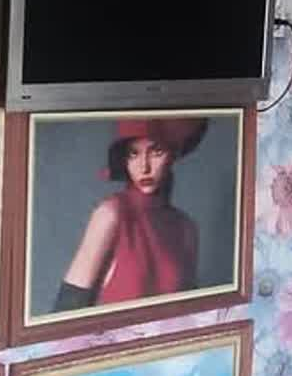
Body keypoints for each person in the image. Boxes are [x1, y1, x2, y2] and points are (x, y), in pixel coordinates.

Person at [53, 118, 206, 310]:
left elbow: (192, 313)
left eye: (156, 152)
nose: (144, 167)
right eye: (133, 154)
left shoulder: (186, 228)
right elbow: (67, 310)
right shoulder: (110, 215)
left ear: (172, 155)